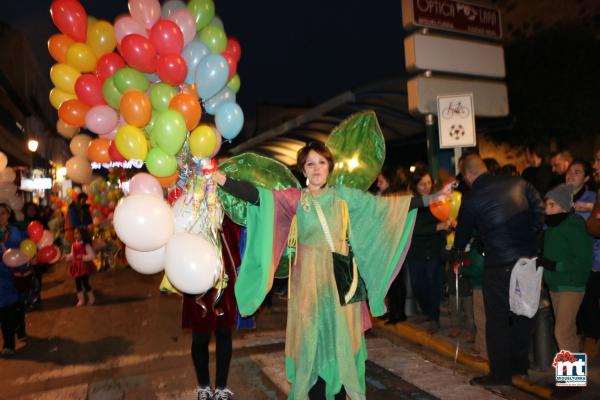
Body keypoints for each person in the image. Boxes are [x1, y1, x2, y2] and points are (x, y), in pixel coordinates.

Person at [215, 142, 451, 399]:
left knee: (341, 344)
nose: (316, 169)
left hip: (340, 285)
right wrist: (222, 179)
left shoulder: (344, 196)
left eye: (321, 162)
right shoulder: (296, 199)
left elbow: (383, 209)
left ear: (329, 166)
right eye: (310, 164)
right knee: (310, 345)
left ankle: (338, 391)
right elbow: (258, 196)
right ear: (303, 170)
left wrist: (431, 199)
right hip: (307, 288)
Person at [454, 154, 545, 386]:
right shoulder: (519, 183)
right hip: (528, 260)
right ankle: (520, 366)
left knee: (498, 321)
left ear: (468, 174)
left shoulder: (473, 197)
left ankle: (501, 375)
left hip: (500, 265)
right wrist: (528, 240)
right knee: (523, 315)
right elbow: (539, 211)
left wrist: (460, 250)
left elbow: (462, 235)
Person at [185, 216, 240, 400]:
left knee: (224, 332)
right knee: (200, 336)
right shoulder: (189, 197)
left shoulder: (226, 194)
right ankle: (204, 386)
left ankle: (221, 387)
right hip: (195, 276)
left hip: (223, 275)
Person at [540, 184, 592, 353]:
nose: (547, 209)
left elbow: (583, 260)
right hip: (556, 285)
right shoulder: (552, 228)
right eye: (546, 205)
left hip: (571, 285)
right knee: (567, 332)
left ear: (563, 206)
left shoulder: (575, 226)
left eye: (552, 205)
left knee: (562, 332)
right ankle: (569, 377)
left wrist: (555, 266)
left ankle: (573, 379)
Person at [406, 165, 452, 333]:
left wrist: (447, 225)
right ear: (415, 187)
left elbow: (447, 215)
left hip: (434, 249)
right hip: (416, 251)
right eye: (422, 184)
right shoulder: (412, 203)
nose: (427, 187)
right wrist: (437, 227)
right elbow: (413, 230)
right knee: (419, 285)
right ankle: (426, 311)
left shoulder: (438, 199)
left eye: (429, 183)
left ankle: (434, 318)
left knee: (434, 284)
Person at [376, 166, 409, 324]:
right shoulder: (383, 196)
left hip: (393, 244)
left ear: (388, 180)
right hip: (386, 244)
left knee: (395, 280)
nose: (377, 183)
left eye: (380, 180)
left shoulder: (392, 197)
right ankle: (391, 310)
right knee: (389, 281)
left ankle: (397, 312)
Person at [582, 149, 600, 360]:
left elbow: (593, 225)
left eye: (598, 161)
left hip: (580, 269)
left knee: (564, 329)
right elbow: (591, 225)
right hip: (588, 265)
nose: (594, 165)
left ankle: (571, 382)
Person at [0, 203, 23, 356]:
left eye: (2, 213)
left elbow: (15, 253)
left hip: (9, 276)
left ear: (8, 215)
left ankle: (9, 345)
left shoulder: (14, 232)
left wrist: (3, 248)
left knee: (8, 311)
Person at [65, 227, 96, 306]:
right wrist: (67, 257)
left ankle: (91, 298)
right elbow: (73, 255)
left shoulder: (86, 245)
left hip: (84, 267)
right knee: (78, 284)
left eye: (78, 233)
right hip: (76, 268)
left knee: (85, 283)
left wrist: (83, 257)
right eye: (75, 233)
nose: (76, 235)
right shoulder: (74, 245)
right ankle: (81, 300)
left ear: (83, 235)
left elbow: (92, 255)